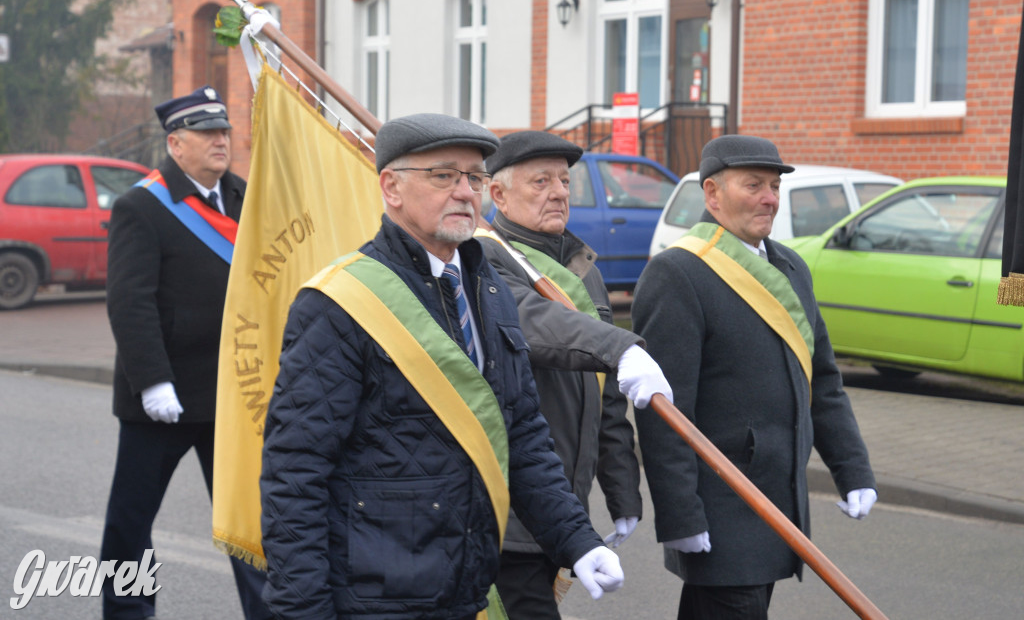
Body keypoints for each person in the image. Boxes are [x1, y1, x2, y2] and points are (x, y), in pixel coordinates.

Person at [260, 113, 625, 619]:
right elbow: (295, 472)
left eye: (474, 177)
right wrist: (304, 611)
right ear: (391, 187)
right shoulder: (339, 304)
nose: (464, 192)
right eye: (443, 176)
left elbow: (521, 433)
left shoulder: (489, 290)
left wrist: (576, 539)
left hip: (466, 587)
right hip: (374, 599)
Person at [632, 134, 878, 620]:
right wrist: (680, 515)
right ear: (712, 193)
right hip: (721, 509)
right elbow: (665, 411)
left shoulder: (790, 266)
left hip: (777, 501)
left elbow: (822, 382)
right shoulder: (678, 273)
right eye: (753, 185)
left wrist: (852, 470)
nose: (769, 198)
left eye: (774, 186)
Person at [478, 130, 672, 618]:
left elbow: (606, 398)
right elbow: (533, 321)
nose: (559, 193)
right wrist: (620, 347)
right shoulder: (482, 258)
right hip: (509, 511)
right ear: (498, 194)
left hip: (565, 508)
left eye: (565, 181)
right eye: (541, 181)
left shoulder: (583, 269)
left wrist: (622, 491)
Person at [101, 86, 270, 620]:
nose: (221, 141)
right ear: (176, 144)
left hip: (233, 392)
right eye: (207, 133)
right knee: (132, 521)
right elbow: (130, 302)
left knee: (250, 520)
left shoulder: (245, 197)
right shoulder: (141, 205)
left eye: (224, 131)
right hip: (165, 397)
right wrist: (153, 381)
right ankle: (127, 613)